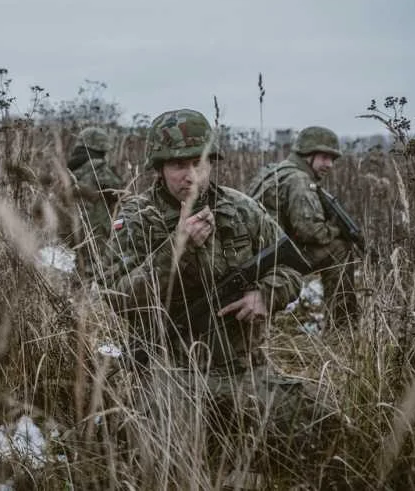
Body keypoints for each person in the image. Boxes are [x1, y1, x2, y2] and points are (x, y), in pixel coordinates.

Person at [97, 108, 337, 482]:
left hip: (244, 371)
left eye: (199, 162)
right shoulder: (137, 217)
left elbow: (292, 268)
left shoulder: (242, 210)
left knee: (323, 426)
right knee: (162, 466)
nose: (190, 175)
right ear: (159, 167)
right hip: (170, 373)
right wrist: (174, 249)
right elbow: (117, 295)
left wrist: (266, 294)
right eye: (178, 164)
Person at [246, 126, 359, 329]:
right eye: (324, 157)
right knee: (341, 249)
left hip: (257, 255)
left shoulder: (276, 170)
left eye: (333, 159)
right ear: (307, 154)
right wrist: (336, 228)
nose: (330, 165)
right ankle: (343, 327)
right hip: (270, 261)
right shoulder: (299, 179)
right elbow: (311, 232)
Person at [64, 126, 125, 269]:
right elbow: (121, 195)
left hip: (70, 231)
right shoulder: (99, 169)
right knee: (96, 271)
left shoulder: (69, 170)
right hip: (96, 233)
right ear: (101, 149)